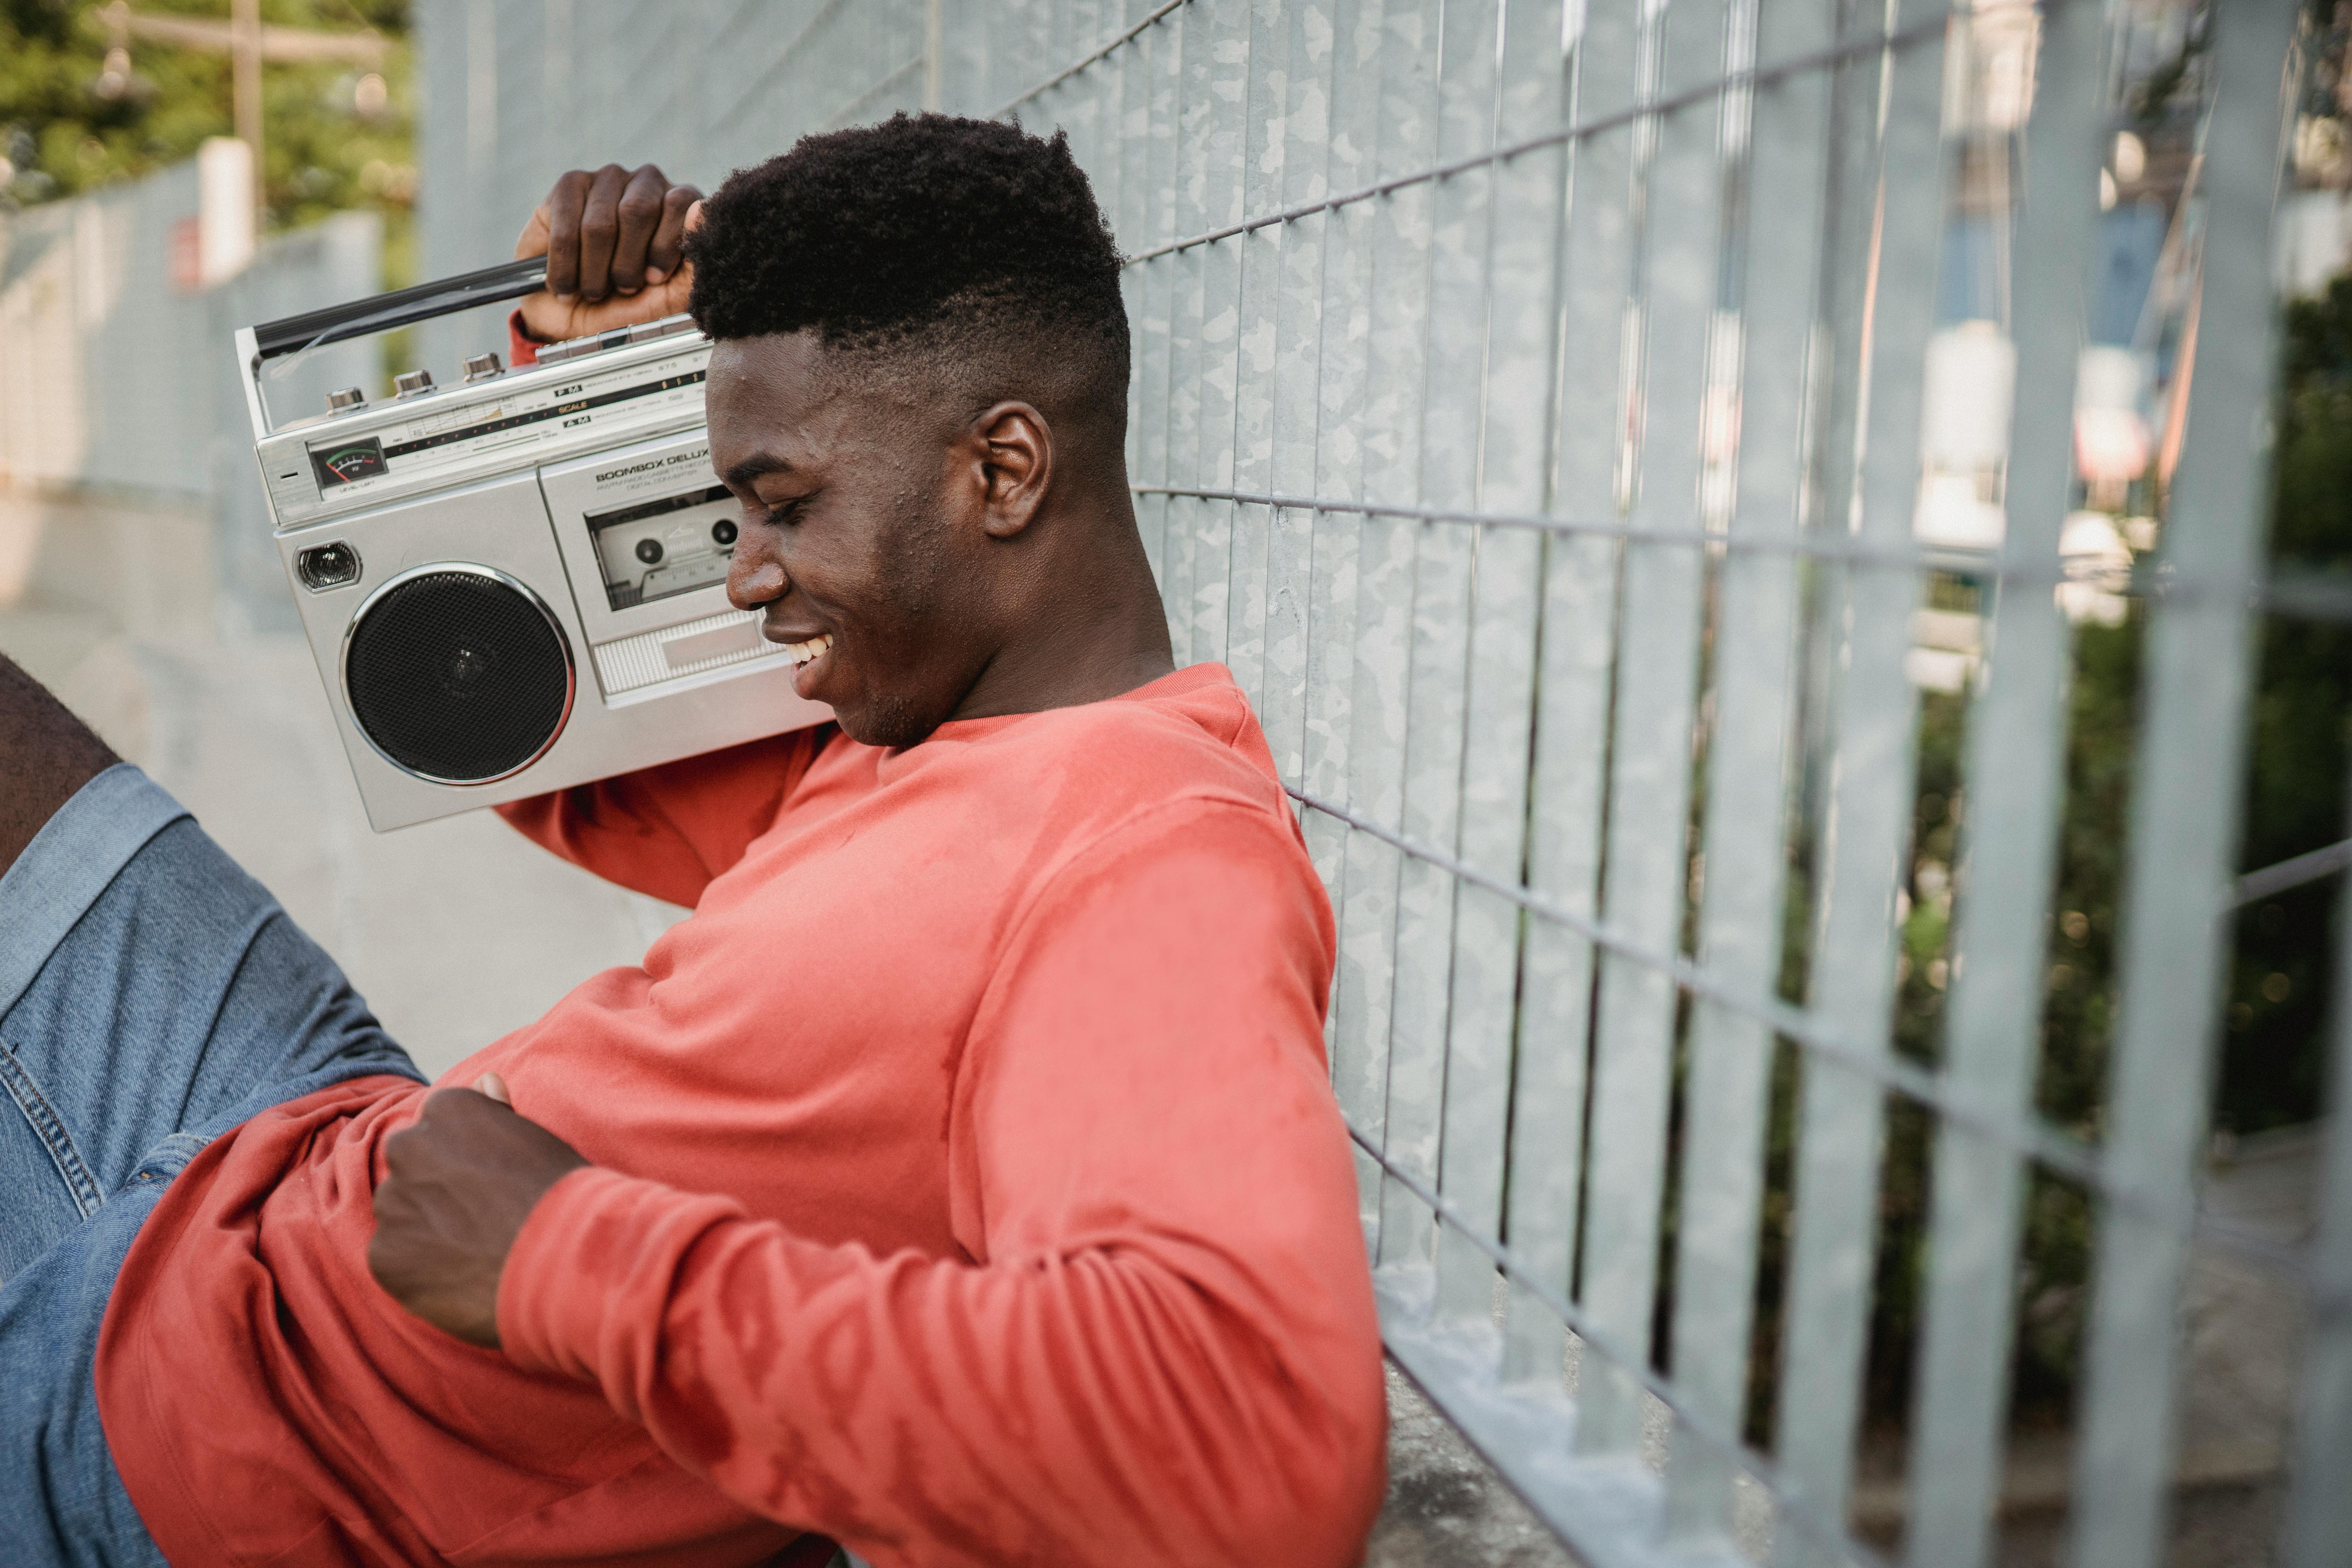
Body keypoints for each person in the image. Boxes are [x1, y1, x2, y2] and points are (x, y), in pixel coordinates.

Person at [0, 115, 1385, 1568]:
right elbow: (522, 739)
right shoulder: (913, 733)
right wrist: (582, 369)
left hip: (250, 1445)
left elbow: (1254, 1445)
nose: (745, 575)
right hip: (279, 1173)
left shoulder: (1148, 863)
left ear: (1006, 470)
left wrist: (563, 1257)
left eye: (782, 507)